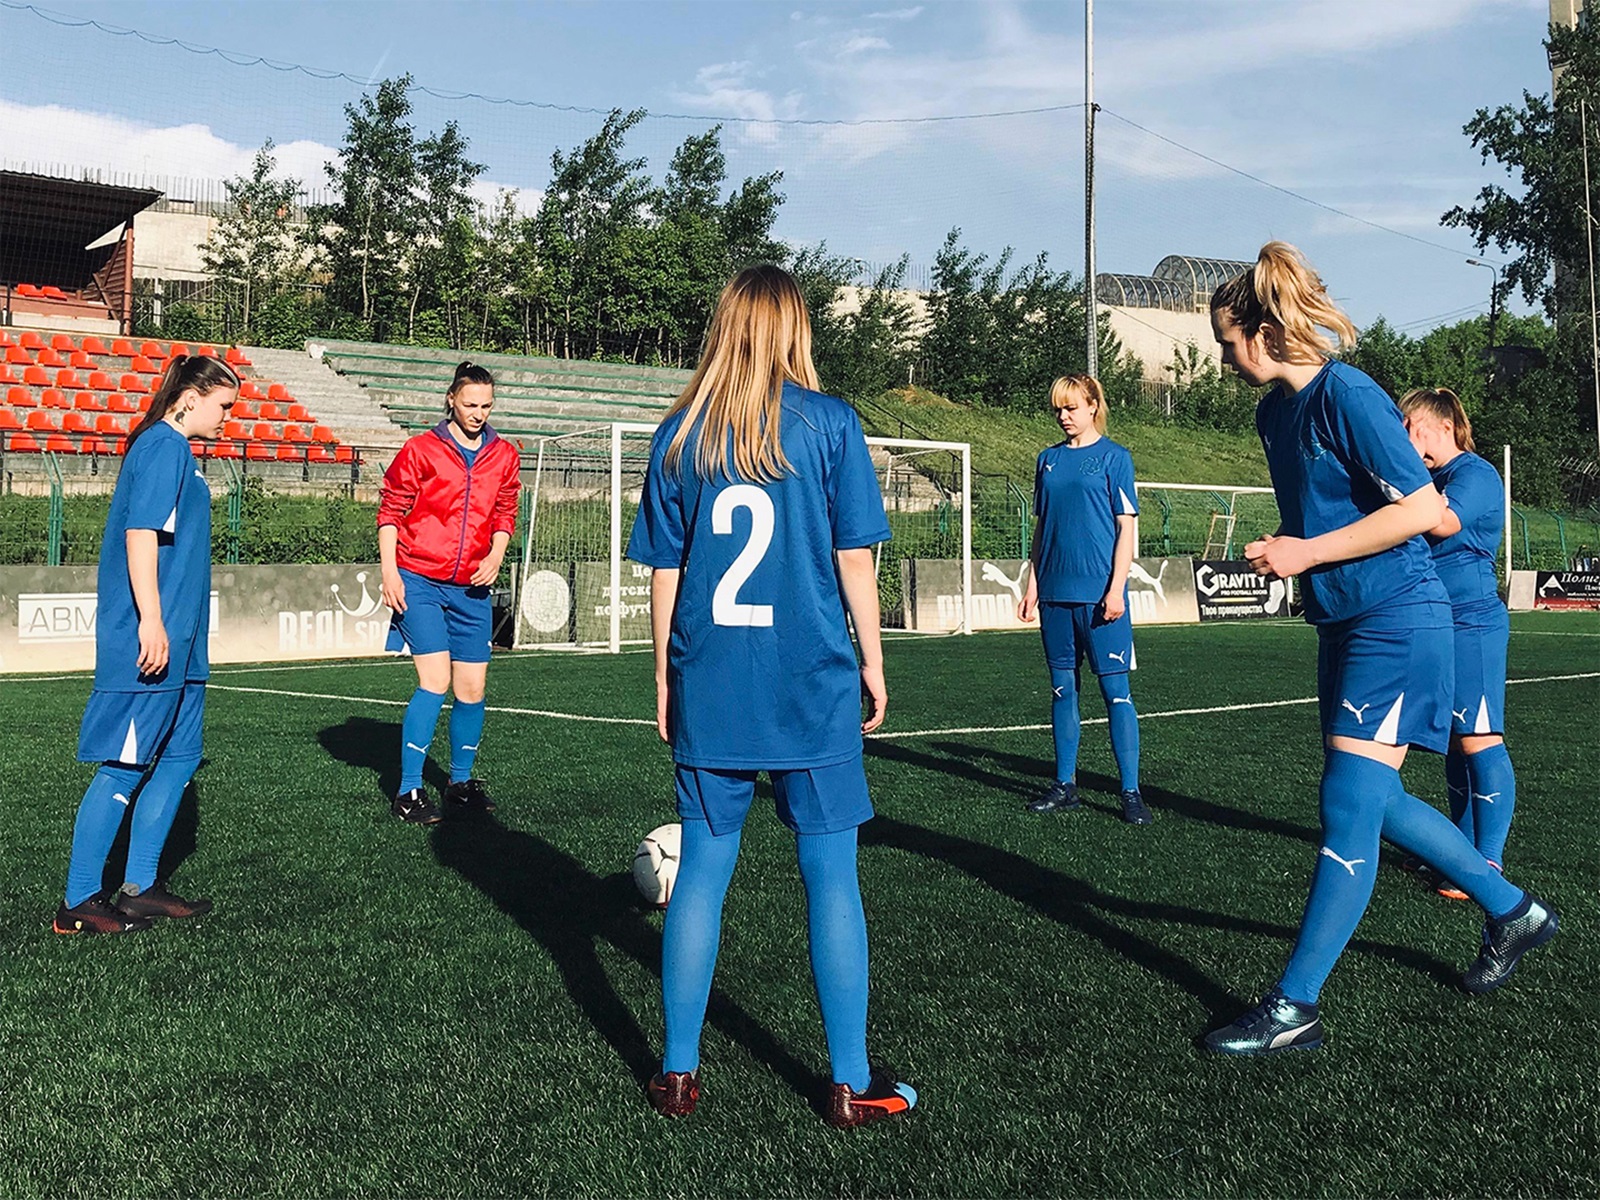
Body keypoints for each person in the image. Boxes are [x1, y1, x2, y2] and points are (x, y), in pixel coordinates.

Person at [1201, 242, 1557, 1055]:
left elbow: (1427, 509)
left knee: (1348, 802)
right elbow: (1326, 519)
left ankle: (1296, 1007)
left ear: (1266, 329)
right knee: (1376, 799)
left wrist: (1306, 553)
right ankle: (1515, 912)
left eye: (1228, 341)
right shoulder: (1272, 413)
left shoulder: (1350, 394)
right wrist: (1290, 545)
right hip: (1343, 620)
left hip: (1402, 619)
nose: (1223, 357)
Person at [627, 265, 917, 1127]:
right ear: (795, 328)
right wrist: (872, 657)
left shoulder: (679, 432)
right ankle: (848, 1083)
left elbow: (667, 571)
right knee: (830, 877)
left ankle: (678, 1075)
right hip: (811, 682)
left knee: (703, 876)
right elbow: (853, 558)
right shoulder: (829, 423)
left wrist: (662, 675)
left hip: (711, 680)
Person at [55, 354, 239, 934]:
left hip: (184, 640)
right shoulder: (164, 447)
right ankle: (79, 901)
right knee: (124, 766)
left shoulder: (179, 452)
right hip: (152, 640)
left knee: (181, 757)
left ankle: (138, 887)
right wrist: (151, 621)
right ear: (191, 395)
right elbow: (140, 536)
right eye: (223, 406)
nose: (228, 419)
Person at [377, 362, 521, 824]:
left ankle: (459, 783)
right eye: (470, 403)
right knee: (435, 680)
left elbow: (504, 511)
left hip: (472, 590)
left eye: (486, 405)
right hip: (418, 579)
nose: (478, 413)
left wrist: (497, 554)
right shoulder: (421, 449)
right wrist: (390, 572)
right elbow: (390, 511)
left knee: (472, 688)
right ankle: (409, 792)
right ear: (451, 401)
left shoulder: (504, 455)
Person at [1015, 374, 1150, 825]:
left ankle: (1130, 791)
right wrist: (1032, 583)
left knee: (1116, 694)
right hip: (1054, 595)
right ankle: (1065, 785)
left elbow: (1126, 527)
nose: (1064, 416)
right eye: (1058, 409)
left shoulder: (1116, 459)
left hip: (1100, 598)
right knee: (1062, 691)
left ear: (1093, 406)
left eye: (1071, 407)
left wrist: (1116, 587)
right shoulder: (1047, 460)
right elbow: (1041, 528)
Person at [1400, 388, 1518, 895]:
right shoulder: (1431, 479)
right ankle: (1458, 853)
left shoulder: (1476, 474)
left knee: (1479, 736)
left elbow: (1443, 520)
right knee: (1453, 738)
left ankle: (1486, 864)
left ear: (1442, 425)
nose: (1405, 439)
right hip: (1438, 624)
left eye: (1411, 427)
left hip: (1473, 623)